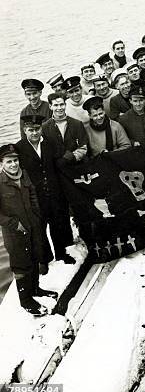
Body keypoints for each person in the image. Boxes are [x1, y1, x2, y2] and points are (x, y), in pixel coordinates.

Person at [0, 144, 55, 316]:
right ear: (1, 163)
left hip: (33, 225)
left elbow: (33, 195)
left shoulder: (24, 175)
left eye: (15, 160)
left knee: (35, 256)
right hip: (14, 233)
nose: (14, 164)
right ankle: (26, 301)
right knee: (21, 265)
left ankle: (36, 290)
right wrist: (14, 224)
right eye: (9, 162)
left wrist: (37, 216)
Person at [15, 114, 74, 265]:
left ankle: (61, 254)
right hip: (35, 196)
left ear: (41, 129)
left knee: (57, 225)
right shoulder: (19, 148)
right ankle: (45, 259)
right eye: (30, 130)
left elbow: (58, 165)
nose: (34, 133)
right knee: (40, 228)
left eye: (37, 129)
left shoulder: (50, 143)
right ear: (25, 130)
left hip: (54, 193)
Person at [42, 93, 88, 168]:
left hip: (77, 165)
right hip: (57, 168)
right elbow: (45, 150)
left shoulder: (77, 124)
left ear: (65, 105)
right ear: (50, 106)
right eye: (56, 105)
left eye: (62, 104)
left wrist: (72, 157)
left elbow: (83, 146)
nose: (59, 108)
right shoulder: (44, 127)